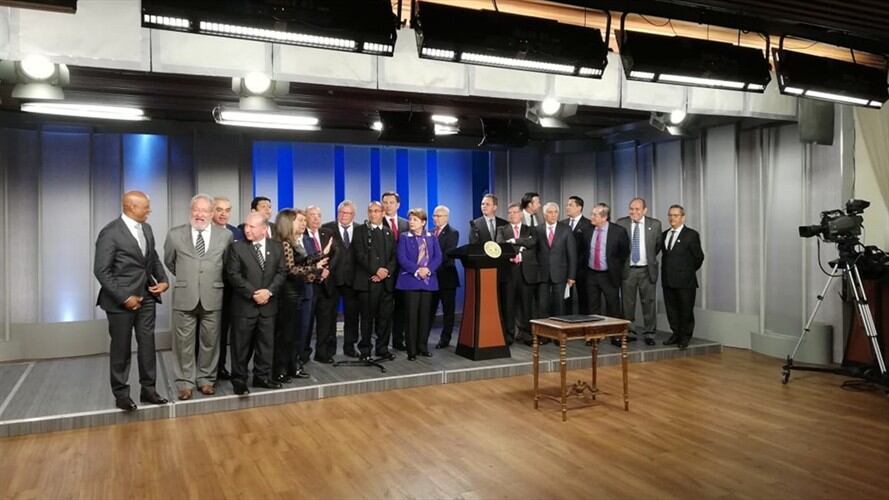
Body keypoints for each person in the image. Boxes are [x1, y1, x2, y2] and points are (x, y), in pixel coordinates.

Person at [94, 191, 169, 411]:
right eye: (146, 207)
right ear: (130, 207)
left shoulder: (146, 228)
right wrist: (124, 297)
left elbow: (152, 257)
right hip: (120, 302)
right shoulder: (110, 233)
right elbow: (101, 270)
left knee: (147, 344)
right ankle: (121, 394)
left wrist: (163, 280)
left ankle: (149, 390)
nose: (149, 210)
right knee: (121, 349)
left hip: (146, 297)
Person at [163, 194, 233, 400]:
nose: (200, 214)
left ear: (212, 214)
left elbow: (227, 264)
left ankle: (206, 380)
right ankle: (185, 383)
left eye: (205, 211)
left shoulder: (225, 236)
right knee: (183, 343)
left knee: (210, 342)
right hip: (185, 296)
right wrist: (189, 279)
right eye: (196, 210)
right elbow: (170, 262)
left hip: (213, 295)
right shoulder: (175, 235)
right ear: (190, 211)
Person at [225, 212, 287, 394]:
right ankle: (239, 380)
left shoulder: (276, 247)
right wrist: (253, 293)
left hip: (269, 305)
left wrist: (269, 291)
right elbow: (233, 275)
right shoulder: (237, 248)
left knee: (265, 345)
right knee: (240, 347)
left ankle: (262, 377)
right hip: (244, 306)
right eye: (246, 226)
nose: (247, 230)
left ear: (263, 228)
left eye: (252, 227)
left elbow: (282, 272)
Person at [272, 209, 328, 383]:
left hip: (299, 292)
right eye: (299, 221)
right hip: (287, 294)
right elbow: (291, 270)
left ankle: (293, 366)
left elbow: (303, 263)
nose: (304, 224)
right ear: (288, 223)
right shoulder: (284, 244)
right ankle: (280, 369)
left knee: (297, 334)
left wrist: (319, 257)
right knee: (285, 334)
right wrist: (315, 267)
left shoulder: (296, 242)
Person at [353, 201, 398, 361]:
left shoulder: (388, 232)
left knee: (385, 318)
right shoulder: (360, 231)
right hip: (367, 282)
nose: (373, 214)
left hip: (385, 283)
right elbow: (359, 255)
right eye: (370, 211)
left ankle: (382, 348)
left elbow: (393, 256)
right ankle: (365, 350)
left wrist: (385, 272)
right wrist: (376, 270)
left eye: (377, 211)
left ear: (383, 213)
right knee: (366, 318)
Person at [396, 209, 442, 360]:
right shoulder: (404, 237)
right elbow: (402, 258)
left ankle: (422, 347)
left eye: (415, 220)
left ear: (423, 222)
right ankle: (411, 351)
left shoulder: (432, 237)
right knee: (411, 317)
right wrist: (417, 270)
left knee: (425, 317)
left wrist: (427, 270)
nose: (411, 222)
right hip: (410, 282)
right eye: (410, 219)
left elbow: (437, 257)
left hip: (428, 281)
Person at [581, 203, 630, 346]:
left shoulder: (618, 231)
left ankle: (615, 336)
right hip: (591, 273)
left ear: (604, 217)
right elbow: (584, 251)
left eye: (595, 215)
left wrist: (615, 267)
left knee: (613, 306)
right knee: (593, 306)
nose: (592, 217)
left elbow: (624, 253)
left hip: (609, 274)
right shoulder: (587, 230)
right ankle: (594, 336)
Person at [616, 198, 663, 346]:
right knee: (627, 304)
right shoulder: (621, 223)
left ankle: (650, 333)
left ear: (645, 210)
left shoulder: (655, 224)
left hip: (646, 270)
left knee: (648, 303)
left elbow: (657, 246)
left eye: (637, 209)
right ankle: (630, 331)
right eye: (631, 209)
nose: (633, 212)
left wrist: (646, 260)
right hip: (628, 270)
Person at [661, 204, 705, 350]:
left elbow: (698, 257)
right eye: (670, 215)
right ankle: (676, 334)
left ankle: (685, 337)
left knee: (685, 310)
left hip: (685, 282)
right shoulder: (664, 234)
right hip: (668, 280)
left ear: (683, 217)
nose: (672, 218)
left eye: (675, 215)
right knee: (672, 310)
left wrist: (686, 271)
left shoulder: (691, 235)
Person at [321, 200, 360, 357]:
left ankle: (350, 347)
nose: (344, 216)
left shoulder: (360, 229)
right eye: (342, 212)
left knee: (352, 316)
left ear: (353, 215)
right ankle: (329, 349)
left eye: (348, 213)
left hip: (353, 281)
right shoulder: (326, 229)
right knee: (329, 316)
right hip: (331, 279)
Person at [496, 203, 539, 345]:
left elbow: (532, 242)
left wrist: (514, 241)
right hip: (509, 273)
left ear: (521, 214)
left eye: (515, 212)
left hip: (526, 273)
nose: (512, 215)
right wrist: (521, 246)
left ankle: (526, 334)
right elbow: (501, 244)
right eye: (510, 212)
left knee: (526, 305)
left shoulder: (530, 229)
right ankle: (509, 335)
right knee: (508, 305)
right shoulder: (501, 229)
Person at [212, 195, 242, 380]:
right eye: (219, 209)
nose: (224, 214)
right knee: (212, 333)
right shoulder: (205, 231)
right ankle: (208, 370)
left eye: (227, 210)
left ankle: (221, 367)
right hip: (212, 289)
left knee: (228, 331)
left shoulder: (237, 233)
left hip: (235, 291)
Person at [302, 205, 336, 364]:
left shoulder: (327, 233)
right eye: (312, 215)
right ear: (305, 218)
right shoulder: (300, 236)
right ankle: (303, 355)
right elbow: (303, 261)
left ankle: (322, 353)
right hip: (308, 284)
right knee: (306, 323)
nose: (316, 218)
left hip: (326, 285)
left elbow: (336, 254)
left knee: (325, 322)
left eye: (319, 215)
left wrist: (327, 270)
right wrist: (317, 272)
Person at [536, 202, 576, 318]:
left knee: (559, 305)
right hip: (542, 275)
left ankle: (558, 333)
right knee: (542, 305)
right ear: (544, 215)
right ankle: (544, 333)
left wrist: (571, 276)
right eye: (550, 212)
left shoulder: (566, 230)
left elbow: (572, 254)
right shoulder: (538, 230)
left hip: (560, 274)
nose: (553, 215)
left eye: (555, 212)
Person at [381, 191, 410, 352]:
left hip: (404, 273)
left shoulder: (406, 224)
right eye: (385, 202)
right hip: (385, 273)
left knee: (402, 309)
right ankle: (382, 344)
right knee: (384, 310)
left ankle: (399, 340)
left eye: (391, 202)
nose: (388, 205)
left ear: (398, 205)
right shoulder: (377, 223)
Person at [430, 205, 460, 349]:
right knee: (430, 309)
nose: (436, 218)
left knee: (448, 311)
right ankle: (423, 338)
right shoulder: (429, 233)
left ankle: (445, 339)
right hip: (431, 279)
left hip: (446, 277)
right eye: (435, 215)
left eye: (439, 216)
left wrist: (430, 268)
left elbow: (447, 255)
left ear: (446, 217)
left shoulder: (453, 233)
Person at [562, 195, 592, 314]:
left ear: (579, 208)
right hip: (564, 269)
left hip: (582, 269)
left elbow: (589, 248)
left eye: (570, 205)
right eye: (567, 205)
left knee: (584, 299)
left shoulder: (589, 224)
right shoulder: (562, 224)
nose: (567, 207)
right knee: (566, 300)